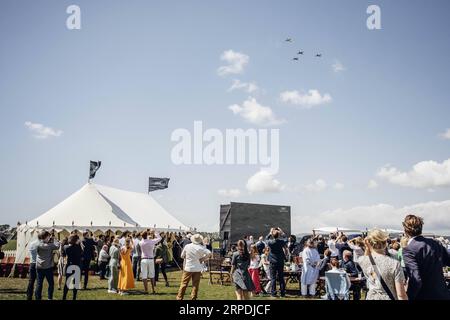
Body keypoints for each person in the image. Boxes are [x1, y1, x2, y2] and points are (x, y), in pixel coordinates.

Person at [402, 214, 450, 300]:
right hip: (442, 294)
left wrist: (409, 296)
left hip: (423, 295)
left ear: (405, 230)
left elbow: (416, 279)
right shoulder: (435, 243)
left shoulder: (409, 250)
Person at [356, 229, 407, 300]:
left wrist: (367, 247)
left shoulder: (362, 260)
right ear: (385, 243)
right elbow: (401, 295)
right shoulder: (394, 264)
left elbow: (366, 257)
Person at [176, 234, 212, 300]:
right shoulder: (201, 248)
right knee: (195, 285)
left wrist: (188, 257)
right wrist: (203, 258)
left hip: (188, 268)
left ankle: (179, 297)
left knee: (184, 284)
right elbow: (209, 253)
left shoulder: (187, 246)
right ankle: (193, 298)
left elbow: (182, 256)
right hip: (197, 268)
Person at [35, 230, 60, 300]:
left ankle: (38, 298)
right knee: (51, 284)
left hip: (39, 266)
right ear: (46, 237)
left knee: (39, 284)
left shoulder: (37, 244)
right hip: (48, 267)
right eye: (48, 236)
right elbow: (58, 246)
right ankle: (49, 298)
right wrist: (54, 239)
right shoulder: (50, 246)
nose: (49, 238)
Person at [265, 227, 287, 297]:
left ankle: (273, 293)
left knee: (273, 278)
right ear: (279, 235)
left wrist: (270, 233)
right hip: (280, 261)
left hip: (272, 261)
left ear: (272, 235)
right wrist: (282, 232)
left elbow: (266, 239)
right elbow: (286, 239)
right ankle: (282, 293)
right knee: (281, 277)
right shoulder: (281, 242)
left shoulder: (270, 242)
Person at [140, 229, 162, 294]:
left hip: (144, 259)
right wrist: (154, 232)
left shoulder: (141, 242)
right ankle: (153, 290)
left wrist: (147, 233)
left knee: (144, 275)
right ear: (147, 235)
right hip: (150, 259)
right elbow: (160, 238)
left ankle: (146, 290)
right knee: (152, 275)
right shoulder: (151, 241)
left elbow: (143, 238)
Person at [62, 234, 82, 300]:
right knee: (75, 283)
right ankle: (74, 297)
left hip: (69, 265)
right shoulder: (78, 247)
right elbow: (81, 253)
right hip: (77, 265)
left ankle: (64, 297)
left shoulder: (66, 247)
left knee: (67, 283)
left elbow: (63, 253)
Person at [26, 234, 41, 300]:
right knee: (38, 282)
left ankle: (29, 296)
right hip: (38, 264)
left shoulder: (32, 243)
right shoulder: (41, 244)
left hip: (32, 263)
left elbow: (30, 252)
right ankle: (37, 296)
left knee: (31, 281)